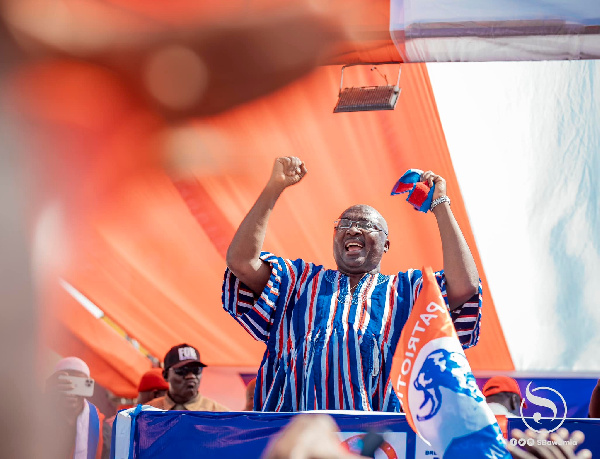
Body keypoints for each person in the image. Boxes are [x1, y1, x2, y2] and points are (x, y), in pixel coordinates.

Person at [223, 156, 481, 412]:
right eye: (344, 224)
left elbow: (464, 285)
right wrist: (273, 189)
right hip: (298, 440)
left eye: (367, 225)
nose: (353, 229)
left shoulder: (408, 291)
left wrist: (440, 203)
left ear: (386, 244)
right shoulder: (297, 280)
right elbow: (242, 261)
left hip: (380, 442)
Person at [45, 357, 104, 459]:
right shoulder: (38, 419)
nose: (72, 391)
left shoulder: (100, 425)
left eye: (78, 385)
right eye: (66, 383)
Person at [146, 344, 228, 411]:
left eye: (196, 370)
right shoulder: (148, 413)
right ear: (166, 375)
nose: (191, 376)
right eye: (182, 370)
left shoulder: (220, 414)